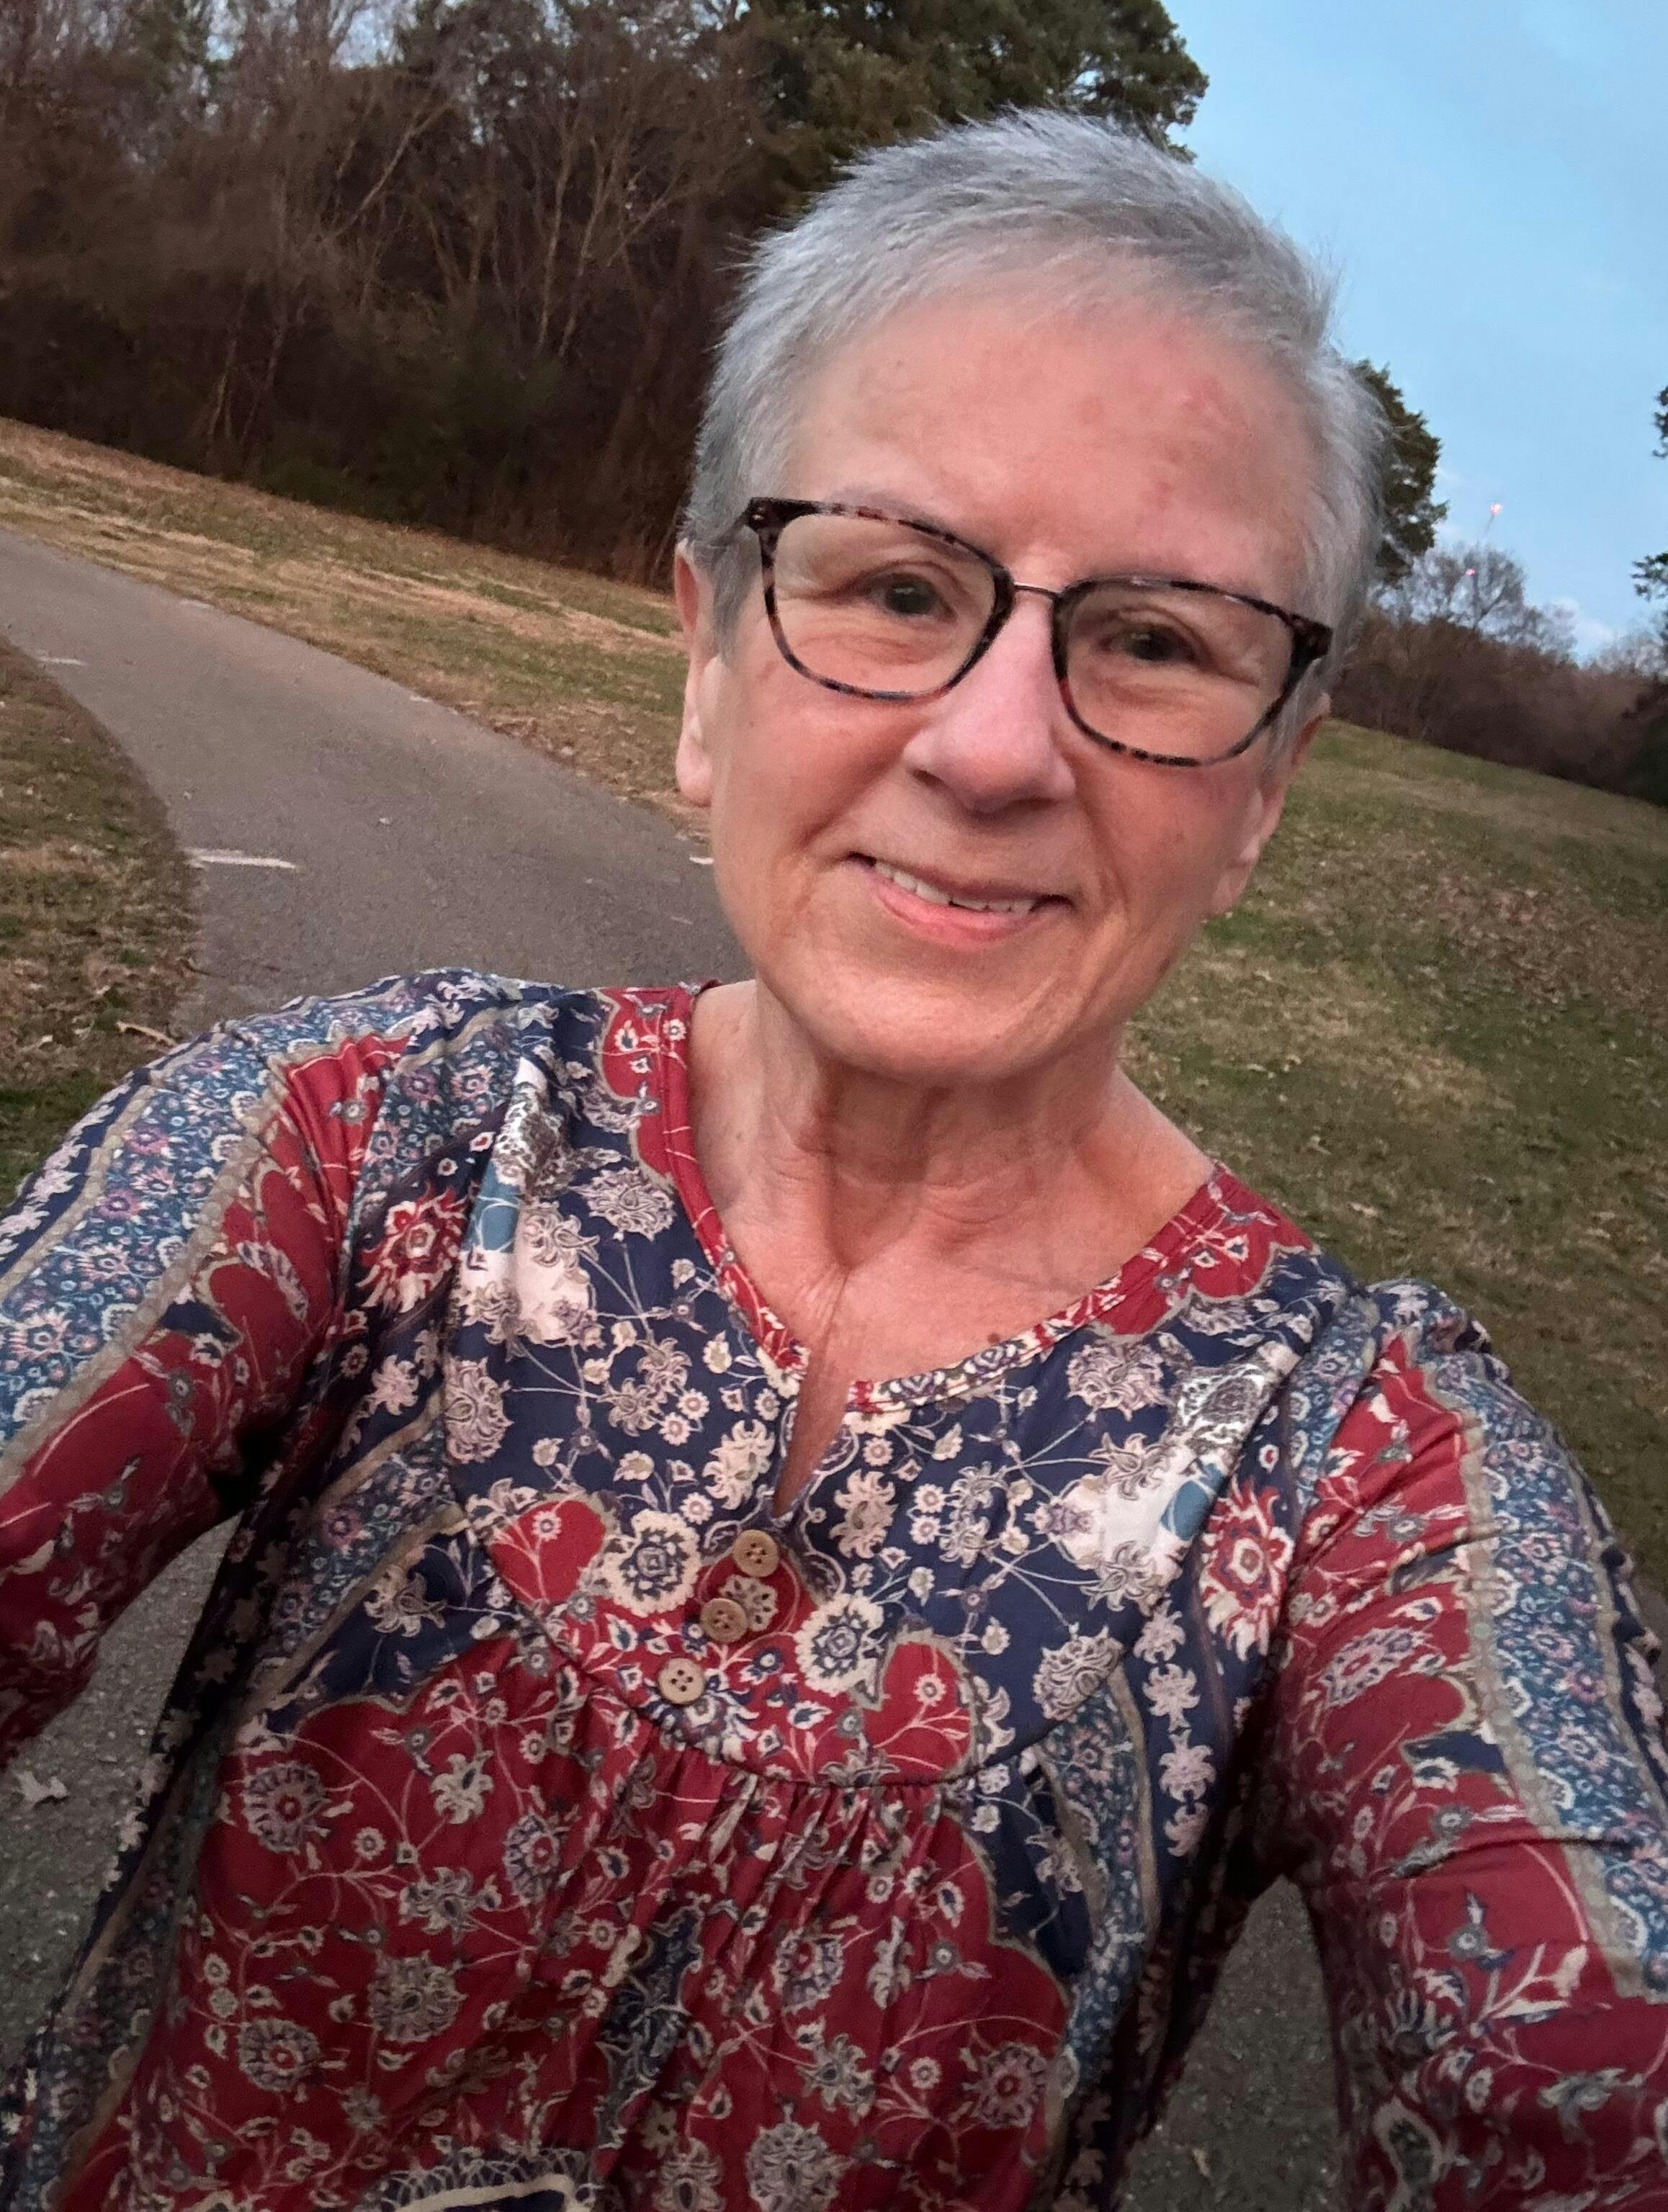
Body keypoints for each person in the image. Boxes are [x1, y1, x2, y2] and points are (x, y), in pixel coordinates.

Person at [1, 110, 1665, 2212]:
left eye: (1155, 642)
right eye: (892, 587)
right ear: (706, 657)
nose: (992, 747)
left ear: (1264, 790)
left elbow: (1581, 2066)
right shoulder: (360, 1138)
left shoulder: (1362, 1476)